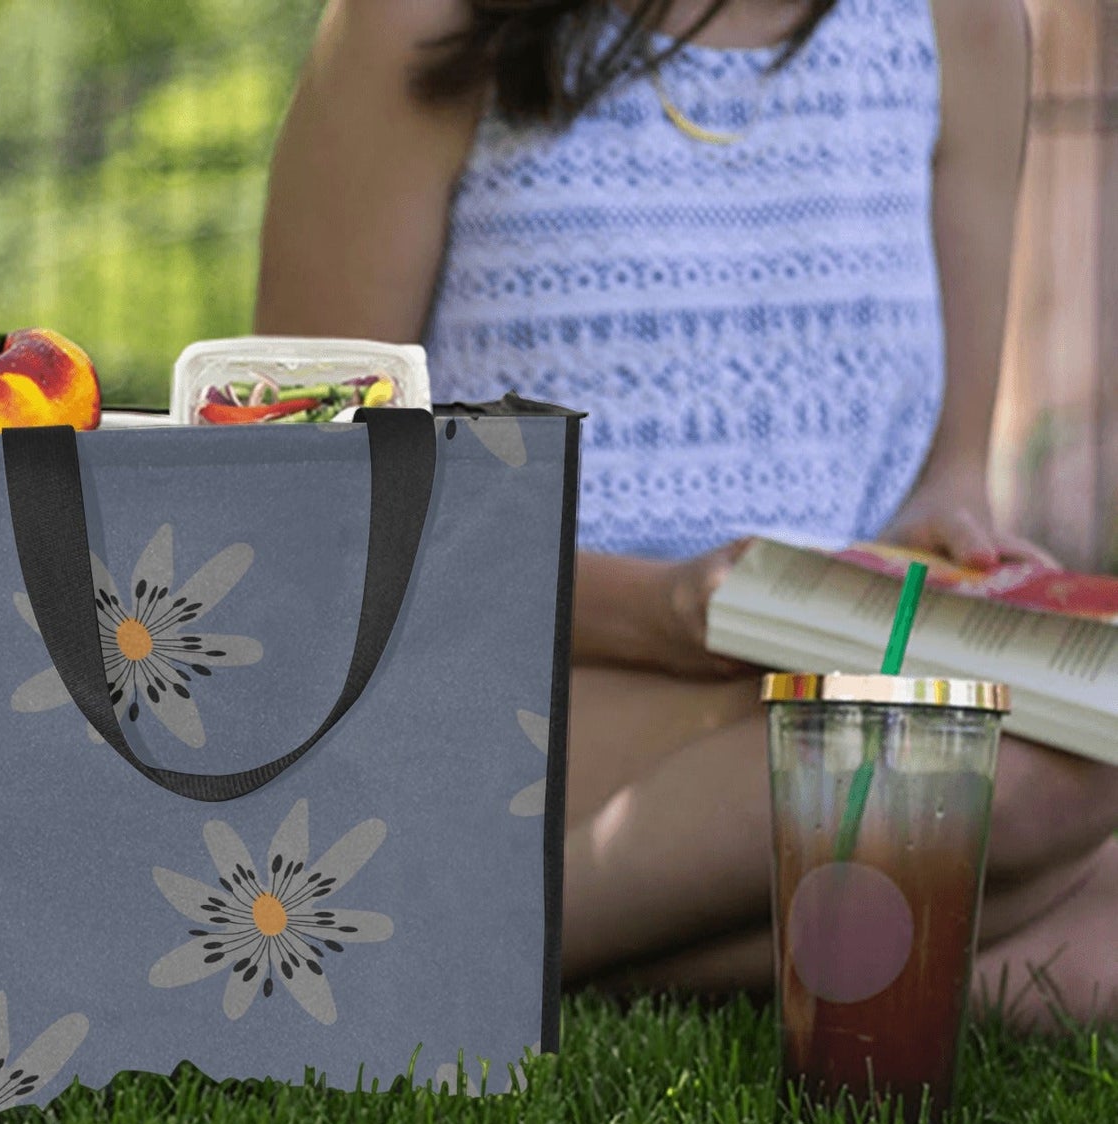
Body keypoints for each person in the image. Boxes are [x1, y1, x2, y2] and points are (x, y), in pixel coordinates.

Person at [254, 0, 1118, 1030]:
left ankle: (563, 949)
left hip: (812, 687)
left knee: (1078, 897)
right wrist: (664, 608)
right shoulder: (421, 20)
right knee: (1003, 778)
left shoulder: (959, 24)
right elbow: (314, 499)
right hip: (508, 673)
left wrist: (957, 546)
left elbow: (946, 481)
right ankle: (400, 953)